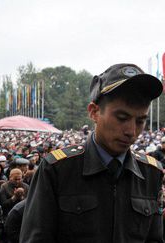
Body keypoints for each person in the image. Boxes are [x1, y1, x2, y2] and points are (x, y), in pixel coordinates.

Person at [20, 63, 165, 242]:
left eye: (140, 121)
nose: (131, 130)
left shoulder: (151, 173)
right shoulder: (57, 170)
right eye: (122, 118)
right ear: (94, 112)